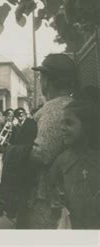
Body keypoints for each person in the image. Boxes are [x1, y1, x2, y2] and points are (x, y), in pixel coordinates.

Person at [28, 53, 76, 228]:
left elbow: (42, 154)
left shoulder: (54, 108)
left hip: (47, 196)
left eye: (42, 76)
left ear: (48, 80)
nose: (41, 81)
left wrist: (17, 149)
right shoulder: (71, 104)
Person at [49, 87, 99, 229]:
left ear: (88, 127)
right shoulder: (61, 160)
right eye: (62, 122)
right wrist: (56, 200)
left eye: (69, 123)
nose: (62, 128)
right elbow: (53, 185)